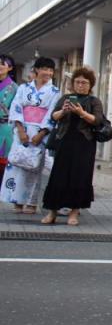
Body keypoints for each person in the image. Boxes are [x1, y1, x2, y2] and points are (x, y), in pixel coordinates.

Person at [41, 67, 105, 225]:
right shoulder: (65, 98)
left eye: (84, 82)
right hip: (64, 141)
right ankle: (52, 212)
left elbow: (97, 120)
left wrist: (81, 113)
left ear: (91, 85)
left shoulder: (94, 101)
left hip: (85, 143)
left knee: (80, 177)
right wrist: (63, 111)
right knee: (58, 176)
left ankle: (74, 213)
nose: (80, 85)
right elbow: (53, 116)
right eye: (77, 82)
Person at [1, 58, 60, 214]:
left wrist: (42, 133)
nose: (47, 73)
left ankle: (31, 202)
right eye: (44, 69)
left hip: (40, 131)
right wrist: (20, 130)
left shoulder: (54, 91)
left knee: (34, 167)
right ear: (37, 70)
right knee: (17, 164)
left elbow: (52, 112)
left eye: (51, 70)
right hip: (22, 128)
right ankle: (16, 200)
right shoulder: (23, 88)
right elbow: (16, 106)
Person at [0, 54, 18, 177]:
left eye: (2, 63)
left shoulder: (14, 88)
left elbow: (16, 111)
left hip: (4, 128)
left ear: (10, 68)